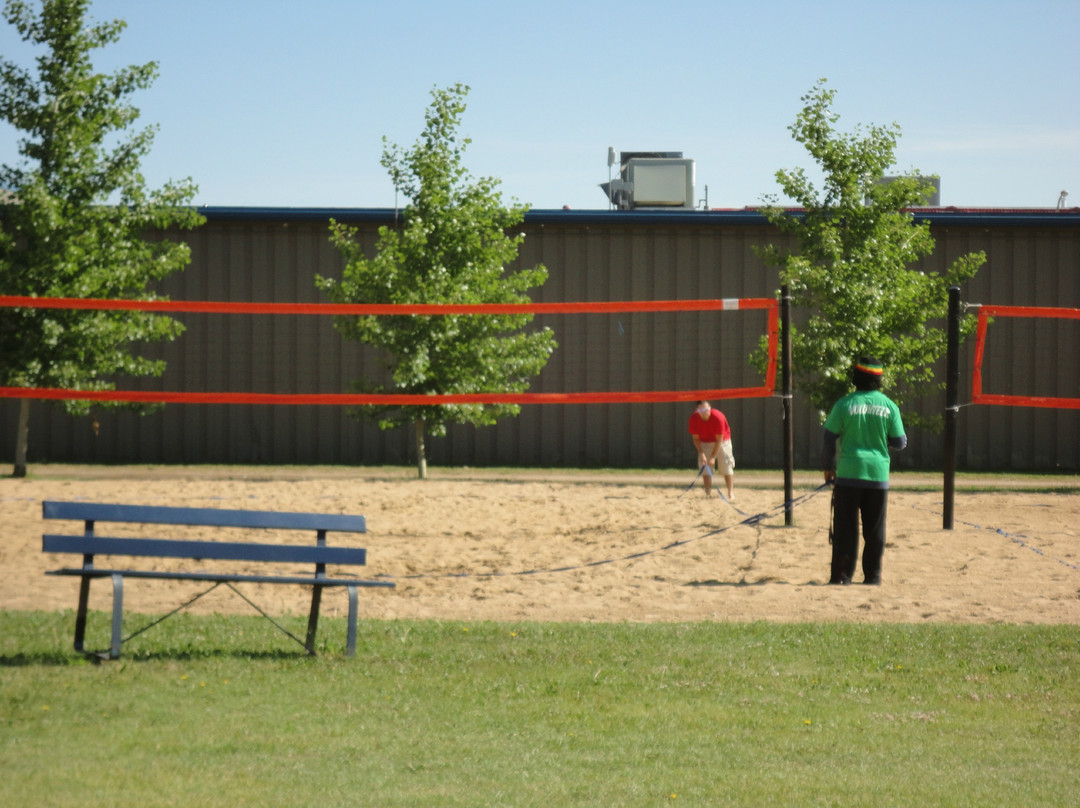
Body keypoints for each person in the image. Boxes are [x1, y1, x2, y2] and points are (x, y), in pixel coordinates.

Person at [822, 357, 907, 585]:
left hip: (848, 473)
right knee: (875, 529)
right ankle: (873, 576)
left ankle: (842, 576)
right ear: (879, 380)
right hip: (878, 475)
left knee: (845, 529)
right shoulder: (890, 406)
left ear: (855, 378)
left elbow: (829, 436)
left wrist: (829, 467)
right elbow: (900, 441)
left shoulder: (844, 404)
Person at [688, 400, 735, 499]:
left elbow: (719, 440)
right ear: (697, 410)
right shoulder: (694, 418)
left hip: (722, 441)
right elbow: (696, 439)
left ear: (710, 408)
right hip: (704, 441)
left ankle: (730, 493)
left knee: (726, 467)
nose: (704, 412)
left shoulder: (718, 417)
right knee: (705, 468)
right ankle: (707, 492)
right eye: (701, 410)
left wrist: (713, 457)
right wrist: (702, 454)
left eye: (706, 409)